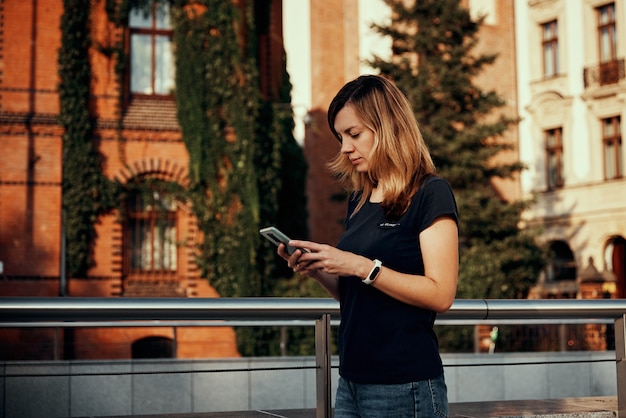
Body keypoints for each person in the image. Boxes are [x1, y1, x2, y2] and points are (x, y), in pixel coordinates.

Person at [277, 74, 458, 417]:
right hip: (351, 382)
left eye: (354, 134)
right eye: (340, 136)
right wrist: (321, 270)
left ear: (387, 127)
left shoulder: (430, 193)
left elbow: (441, 293)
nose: (345, 147)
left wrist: (362, 266)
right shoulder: (360, 199)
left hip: (405, 386)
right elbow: (360, 295)